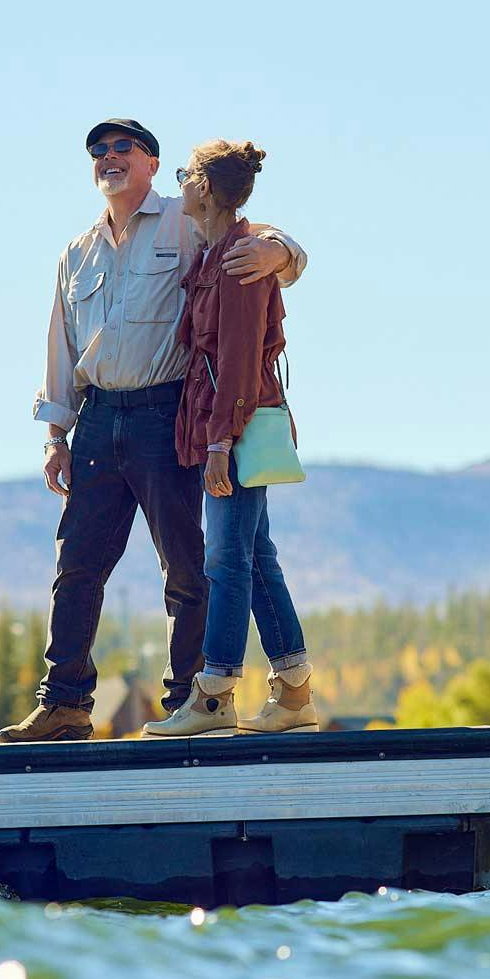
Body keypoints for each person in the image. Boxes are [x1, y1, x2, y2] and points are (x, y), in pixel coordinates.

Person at [0, 119, 306, 743]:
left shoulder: (184, 220)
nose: (108, 158)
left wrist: (284, 253)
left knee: (187, 567)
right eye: (98, 151)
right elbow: (61, 344)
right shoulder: (76, 253)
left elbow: (252, 235)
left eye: (122, 149)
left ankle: (191, 698)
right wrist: (55, 435)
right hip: (96, 420)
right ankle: (65, 703)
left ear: (152, 162)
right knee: (77, 564)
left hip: (166, 414)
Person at [142, 140, 317, 738]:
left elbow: (239, 360)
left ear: (206, 189)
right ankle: (293, 693)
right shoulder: (220, 251)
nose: (178, 181)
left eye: (186, 174)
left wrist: (220, 444)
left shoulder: (241, 260)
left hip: (234, 430)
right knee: (255, 555)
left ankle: (214, 692)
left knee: (226, 560)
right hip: (221, 427)